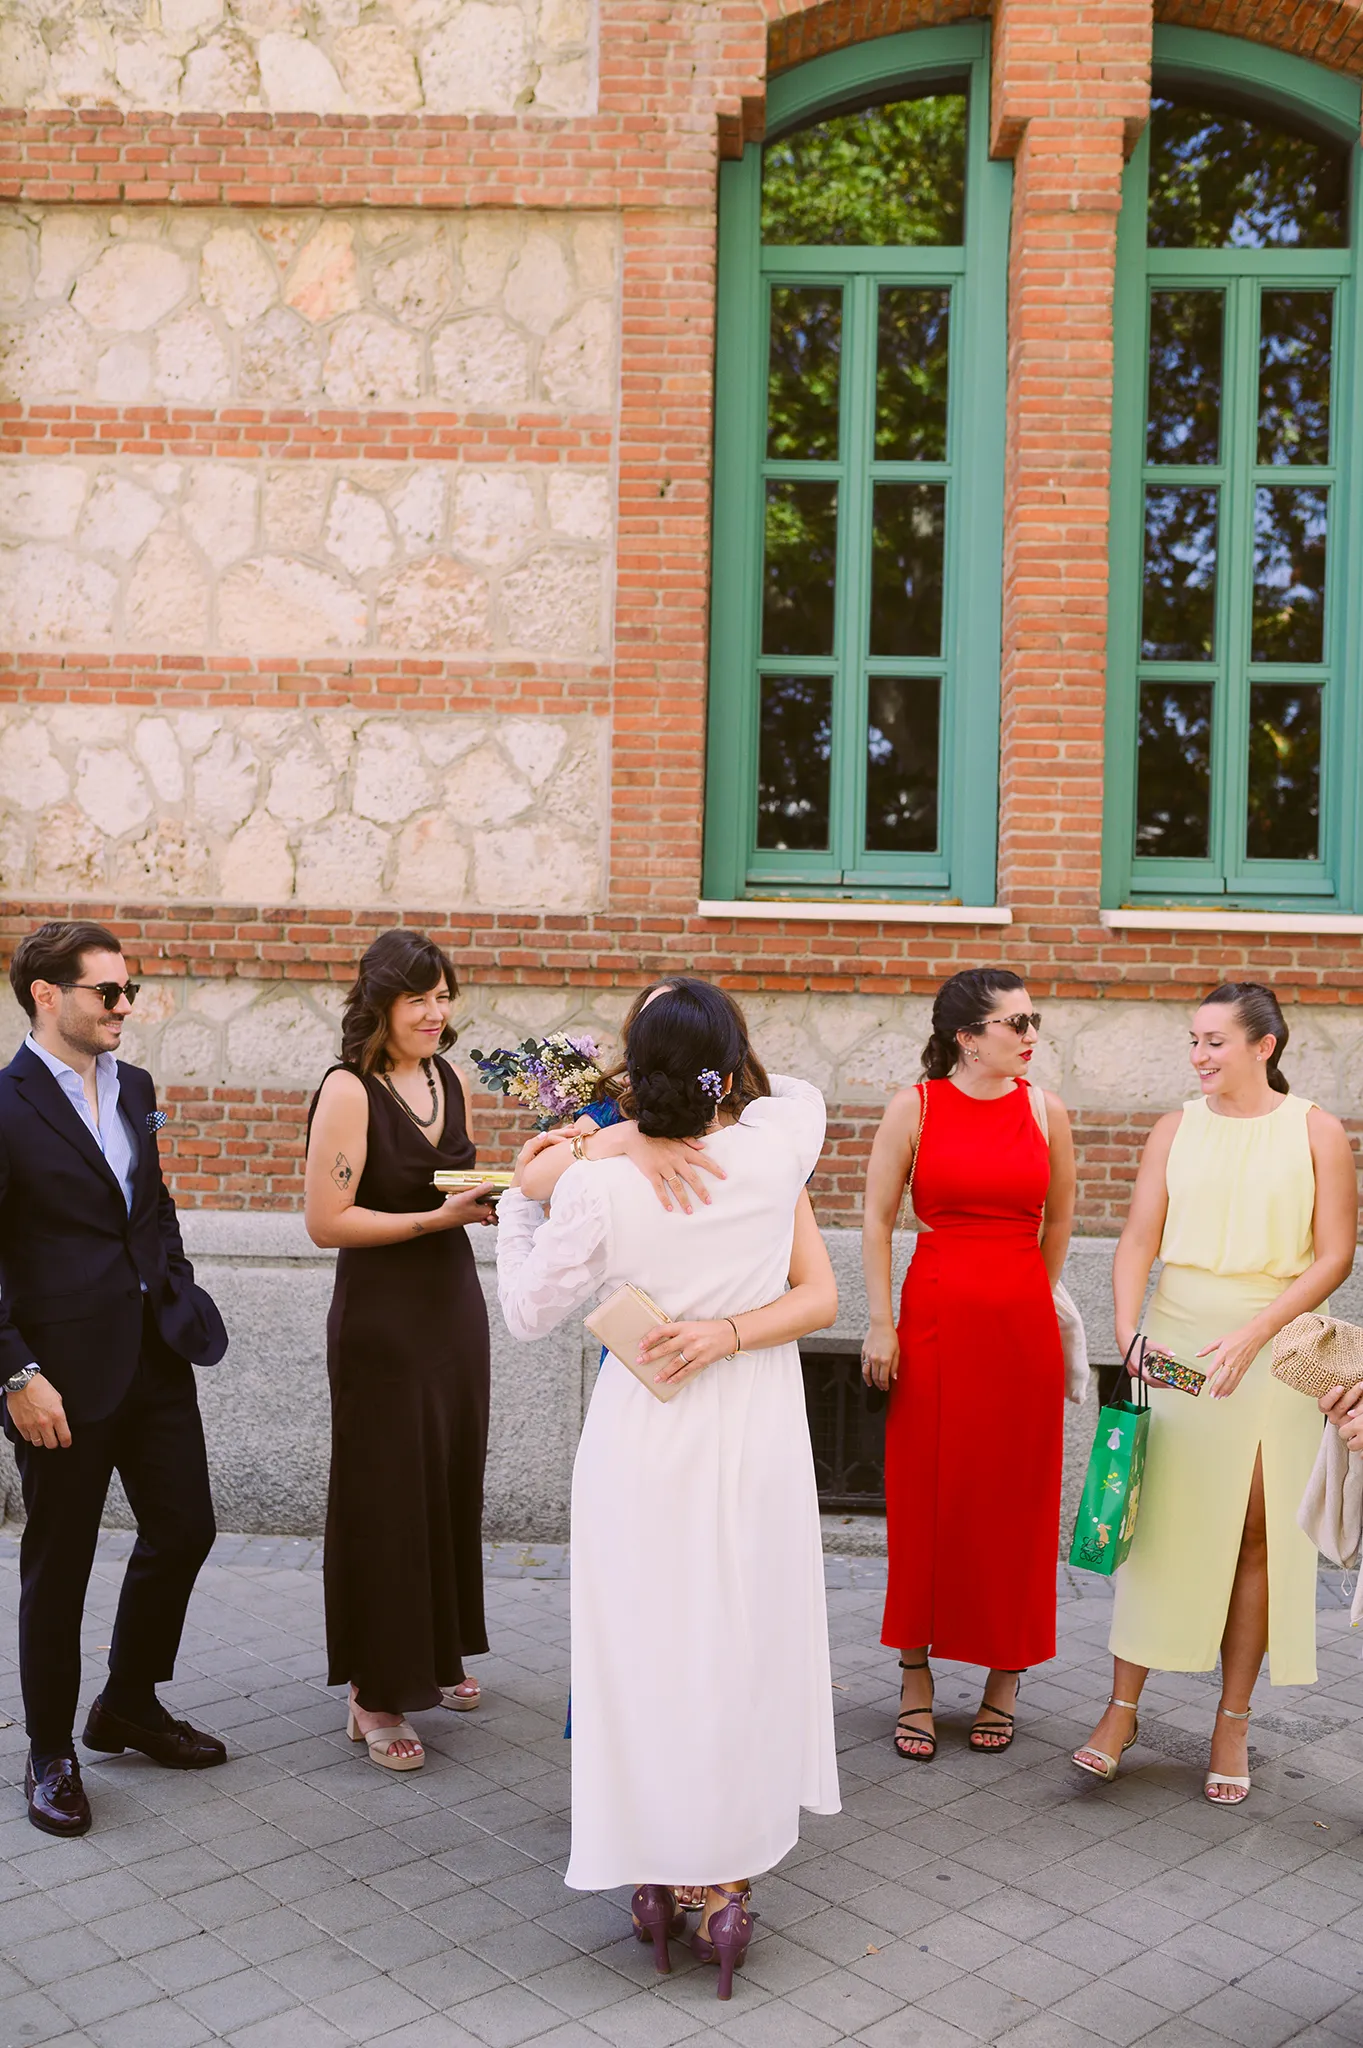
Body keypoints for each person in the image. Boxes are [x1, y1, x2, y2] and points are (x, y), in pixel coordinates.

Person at [496, 977, 840, 1997]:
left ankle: (652, 1875)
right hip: (754, 1431)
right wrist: (729, 1330)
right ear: (729, 1070)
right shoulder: (777, 1151)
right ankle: (724, 1883)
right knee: (738, 1648)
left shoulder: (597, 1187)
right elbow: (797, 1114)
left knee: (645, 1655)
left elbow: (525, 1311)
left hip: (642, 1433)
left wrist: (539, 1190)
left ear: (630, 1073)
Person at [1074, 983, 1356, 1803]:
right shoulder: (1174, 1128)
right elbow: (1137, 1239)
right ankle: (1120, 1711)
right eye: (1192, 1041)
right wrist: (1127, 1334)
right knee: (1156, 1525)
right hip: (1175, 1346)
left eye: (1213, 1042)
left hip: (1272, 1350)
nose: (1197, 1056)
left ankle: (1231, 1721)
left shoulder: (1316, 1131)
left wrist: (1257, 1332)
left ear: (1262, 1046)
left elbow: (1333, 1256)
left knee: (1256, 1536)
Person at [0, 921, 230, 1837]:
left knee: (186, 1528)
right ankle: (49, 1751)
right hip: (57, 1377)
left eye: (127, 990)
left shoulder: (134, 1088)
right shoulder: (6, 1103)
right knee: (60, 1565)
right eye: (108, 992)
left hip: (155, 1355)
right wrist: (14, 1372)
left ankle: (128, 1702)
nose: (125, 1006)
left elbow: (152, 1201)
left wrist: (176, 1282)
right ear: (47, 995)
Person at [862, 968, 1074, 1761]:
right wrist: (879, 1324)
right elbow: (876, 1220)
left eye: (1032, 1019)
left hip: (1020, 1327)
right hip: (933, 1320)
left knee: (1014, 1501)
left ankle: (1003, 1677)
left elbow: (1059, 1219)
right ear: (966, 1037)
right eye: (1014, 1023)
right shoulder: (913, 1107)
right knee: (927, 1496)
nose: (1029, 1035)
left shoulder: (1045, 1110)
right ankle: (913, 1676)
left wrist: (1030, 1297)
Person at [305, 929, 498, 1771]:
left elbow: (452, 1181)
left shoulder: (450, 1078)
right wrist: (436, 1219)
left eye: (443, 996)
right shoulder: (348, 1090)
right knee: (386, 1496)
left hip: (451, 1308)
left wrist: (500, 1195)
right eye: (418, 998)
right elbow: (326, 1221)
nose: (434, 1013)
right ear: (380, 1002)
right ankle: (374, 1693)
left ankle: (435, 1654)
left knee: (447, 1480)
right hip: (381, 1321)